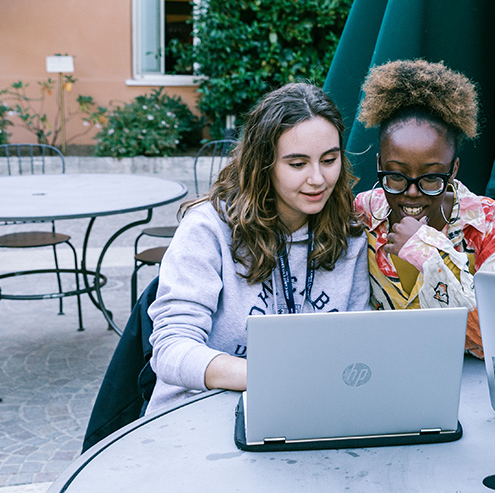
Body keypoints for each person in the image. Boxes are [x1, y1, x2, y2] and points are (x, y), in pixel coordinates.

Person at [146, 83, 370, 413]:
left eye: (329, 160)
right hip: (198, 415)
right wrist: (273, 376)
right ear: (263, 164)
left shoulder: (348, 234)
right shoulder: (208, 228)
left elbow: (358, 344)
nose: (318, 179)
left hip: (305, 409)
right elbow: (170, 350)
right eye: (297, 164)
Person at [353, 59, 495, 357]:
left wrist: (427, 251)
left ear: (453, 170)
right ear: (379, 165)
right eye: (396, 176)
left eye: (431, 177)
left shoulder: (486, 221)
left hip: (466, 379)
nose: (412, 194)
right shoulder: (362, 214)